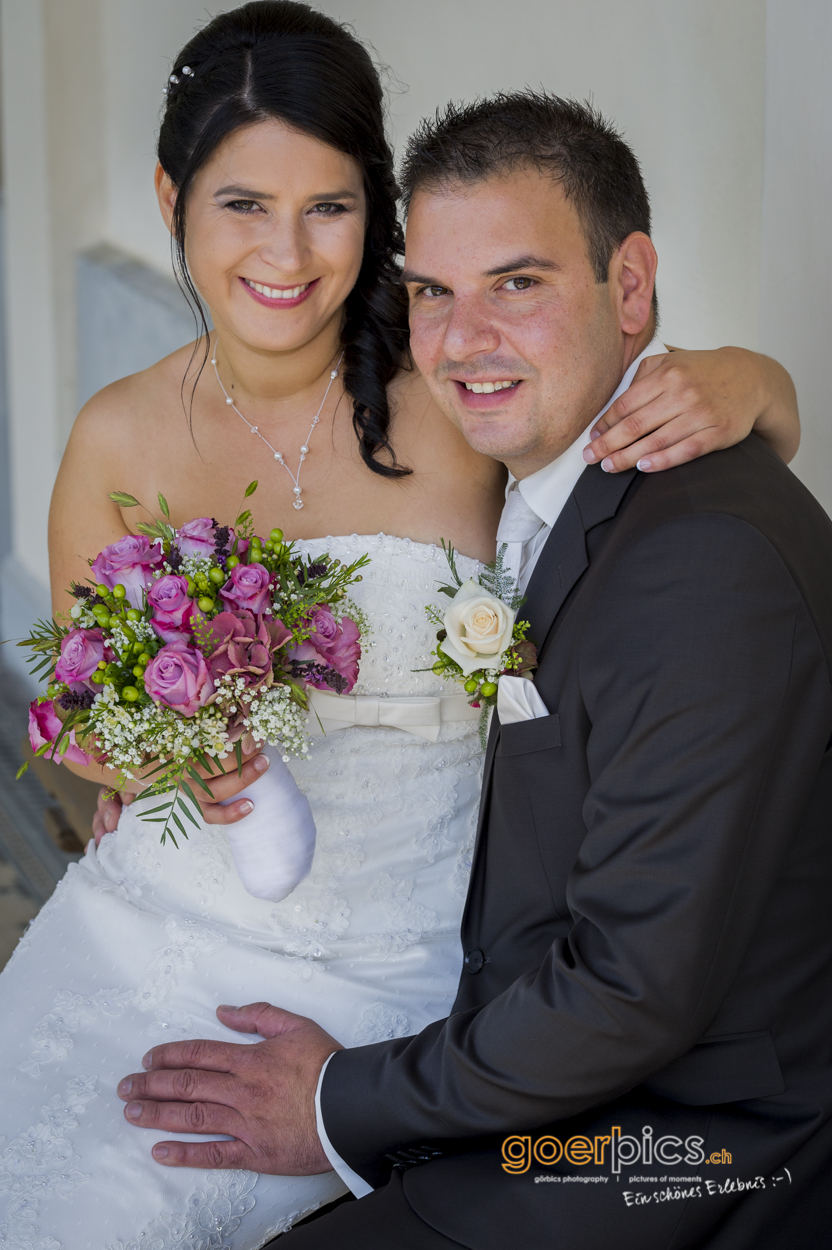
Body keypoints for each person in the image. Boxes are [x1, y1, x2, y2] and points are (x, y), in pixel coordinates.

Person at [0, 1, 801, 1244]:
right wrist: (168, 759)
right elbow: (78, 715)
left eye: (328, 205)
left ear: (373, 212)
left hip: (417, 949)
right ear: (171, 197)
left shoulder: (461, 390)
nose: (287, 251)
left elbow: (633, 466)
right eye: (241, 204)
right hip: (166, 911)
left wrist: (761, 382)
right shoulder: (116, 433)